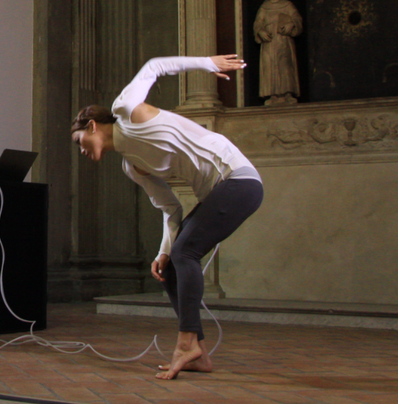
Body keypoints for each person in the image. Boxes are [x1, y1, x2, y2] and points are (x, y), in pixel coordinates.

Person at [71, 55, 263, 380]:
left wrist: (207, 63)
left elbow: (154, 66)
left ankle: (187, 342)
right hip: (222, 191)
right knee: (173, 263)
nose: (82, 151)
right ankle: (197, 352)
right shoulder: (131, 166)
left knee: (185, 252)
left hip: (239, 180)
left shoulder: (126, 110)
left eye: (80, 142)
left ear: (91, 126)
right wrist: (162, 251)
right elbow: (170, 208)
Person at [254, 0, 303, 105]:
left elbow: (297, 18)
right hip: (269, 41)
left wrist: (291, 24)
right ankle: (273, 95)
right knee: (269, 66)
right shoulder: (264, 7)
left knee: (285, 65)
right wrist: (260, 31)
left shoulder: (287, 5)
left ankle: (287, 93)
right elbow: (258, 23)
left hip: (283, 40)